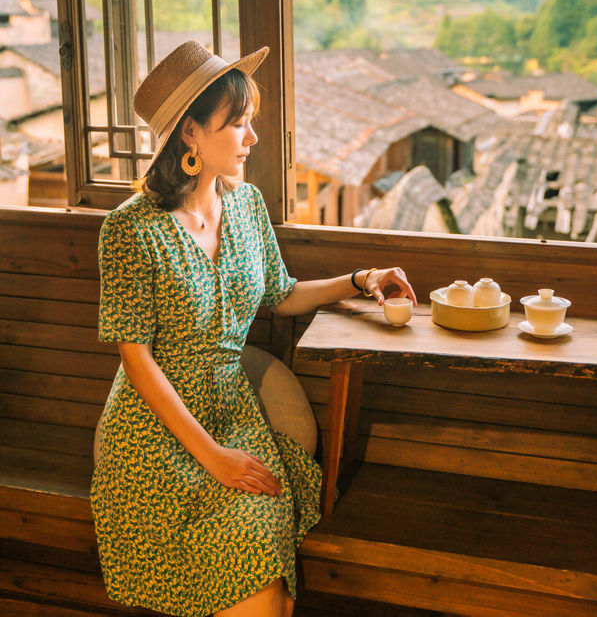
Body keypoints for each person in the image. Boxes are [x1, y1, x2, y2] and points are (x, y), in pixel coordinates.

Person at [90, 40, 417, 617]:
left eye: (251, 122)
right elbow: (135, 360)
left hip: (233, 414)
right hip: (154, 437)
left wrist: (362, 278)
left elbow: (282, 295)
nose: (252, 137)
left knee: (269, 574)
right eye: (238, 123)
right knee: (264, 596)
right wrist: (213, 456)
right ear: (190, 133)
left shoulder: (248, 206)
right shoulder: (130, 230)